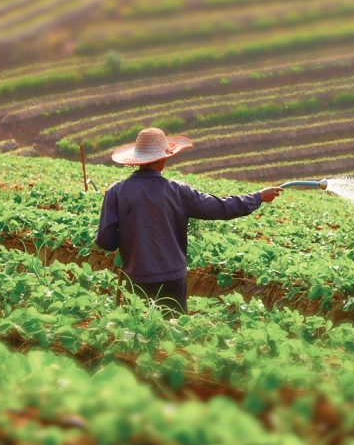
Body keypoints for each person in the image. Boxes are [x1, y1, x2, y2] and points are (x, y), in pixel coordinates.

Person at [95, 128, 282, 314]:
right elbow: (220, 207)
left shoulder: (116, 192)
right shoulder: (177, 191)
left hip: (137, 276)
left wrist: (129, 235)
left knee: (138, 332)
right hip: (172, 277)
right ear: (162, 159)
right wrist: (257, 197)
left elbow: (106, 241)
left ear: (139, 160)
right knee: (173, 331)